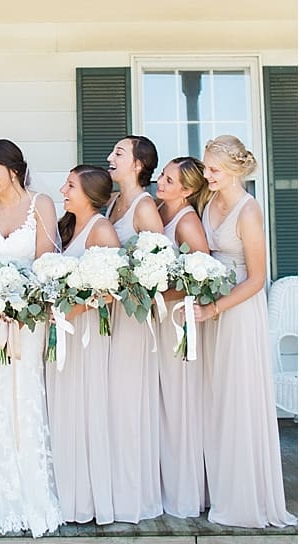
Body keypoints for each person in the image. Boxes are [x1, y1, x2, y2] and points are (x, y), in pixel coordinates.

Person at [0, 139, 62, 537]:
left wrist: (17, 304)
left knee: (23, 397)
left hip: (27, 318)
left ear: (13, 171)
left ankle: (29, 498)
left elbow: (43, 263)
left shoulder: (42, 204)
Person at [194, 136, 296, 528]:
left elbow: (257, 279)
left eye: (214, 169)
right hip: (211, 306)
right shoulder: (208, 201)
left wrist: (215, 308)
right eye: (205, 168)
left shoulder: (248, 211)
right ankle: (219, 485)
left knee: (237, 397)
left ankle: (244, 496)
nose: (207, 175)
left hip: (236, 309)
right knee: (215, 398)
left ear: (235, 170)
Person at [46, 165, 120, 525]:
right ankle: (66, 492)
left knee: (84, 409)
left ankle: (87, 498)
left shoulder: (101, 228)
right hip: (64, 330)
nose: (63, 189)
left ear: (90, 193)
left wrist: (69, 313)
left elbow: (111, 290)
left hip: (84, 333)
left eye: (70, 185)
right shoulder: (69, 226)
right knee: (64, 410)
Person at [104, 135, 164, 522]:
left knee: (127, 402)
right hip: (108, 315)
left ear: (138, 165)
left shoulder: (144, 208)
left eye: (119, 153)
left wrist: (123, 283)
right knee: (110, 401)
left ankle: (132, 493)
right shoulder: (111, 203)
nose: (110, 158)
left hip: (131, 318)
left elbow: (160, 266)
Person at [154, 156, 211, 519]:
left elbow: (201, 276)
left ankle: (185, 494)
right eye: (162, 175)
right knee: (161, 405)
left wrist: (157, 292)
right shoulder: (159, 208)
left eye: (170, 180)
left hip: (176, 322)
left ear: (188, 190)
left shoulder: (187, 222)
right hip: (156, 320)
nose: (161, 182)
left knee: (178, 405)